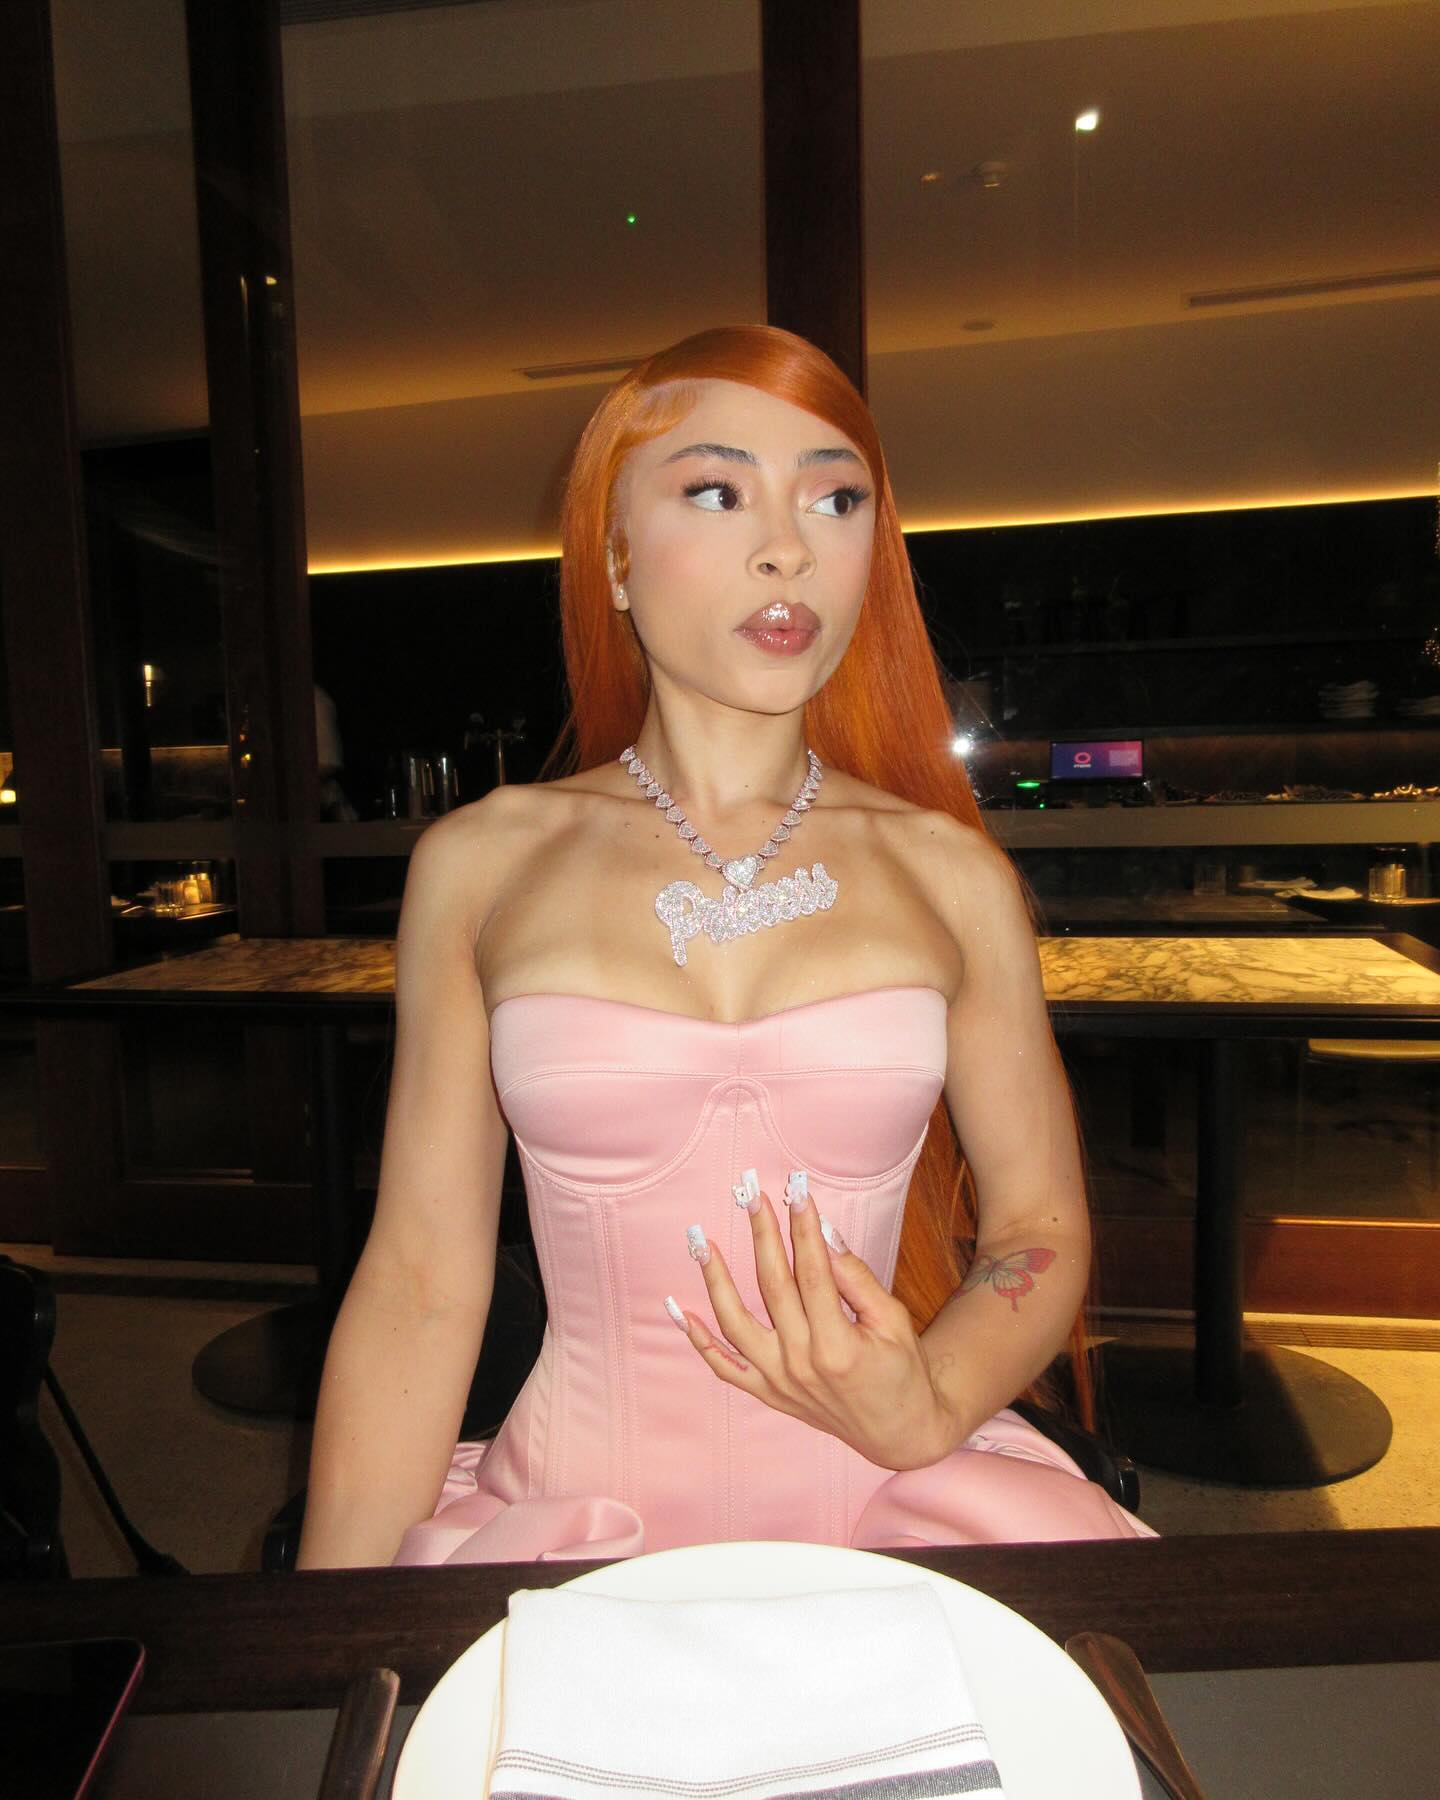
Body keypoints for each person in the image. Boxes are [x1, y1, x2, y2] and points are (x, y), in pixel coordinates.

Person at [296, 325, 1154, 1569]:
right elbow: (422, 1281)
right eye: (717, 490)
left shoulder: (951, 874)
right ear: (614, 558)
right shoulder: (481, 864)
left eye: (836, 498)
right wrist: (331, 1627)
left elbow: (1038, 1224)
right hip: (576, 1529)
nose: (789, 547)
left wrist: (932, 1398)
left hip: (887, 1511)